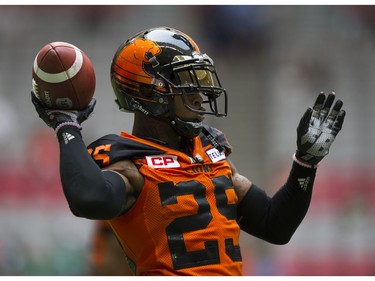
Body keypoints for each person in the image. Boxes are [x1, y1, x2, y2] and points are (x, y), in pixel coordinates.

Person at [31, 26, 346, 276]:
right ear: (148, 91)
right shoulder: (130, 164)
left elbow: (275, 226)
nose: (200, 95)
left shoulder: (210, 151)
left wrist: (305, 164)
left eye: (200, 81)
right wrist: (66, 126)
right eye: (187, 83)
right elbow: (90, 199)